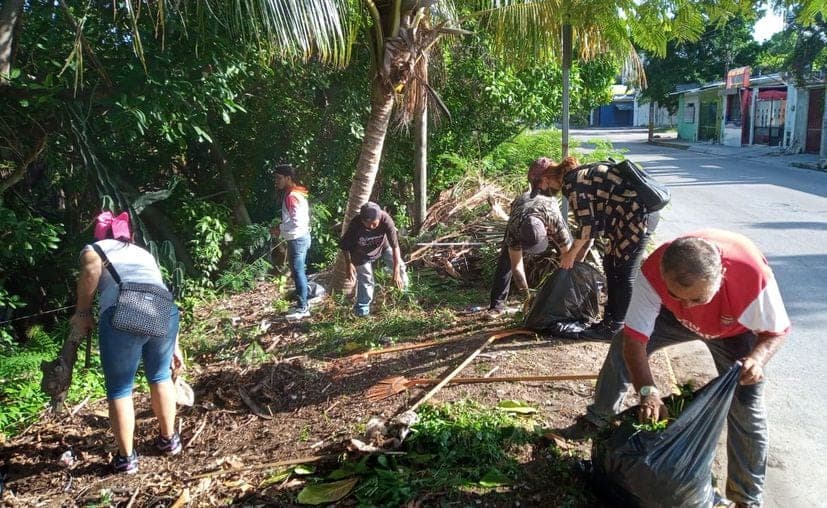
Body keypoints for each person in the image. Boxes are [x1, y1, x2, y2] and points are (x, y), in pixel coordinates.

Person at [581, 229, 790, 507]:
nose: (688, 306)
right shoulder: (654, 270)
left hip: (732, 332)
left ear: (720, 277)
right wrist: (647, 390)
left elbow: (776, 332)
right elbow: (634, 339)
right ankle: (597, 420)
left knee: (746, 406)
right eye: (676, 294)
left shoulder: (751, 275)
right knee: (620, 346)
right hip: (670, 320)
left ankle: (747, 498)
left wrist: (757, 359)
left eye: (696, 299)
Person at [69, 211, 182, 474]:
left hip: (124, 310)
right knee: (160, 376)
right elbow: (157, 290)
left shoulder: (95, 249)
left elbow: (90, 271)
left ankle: (126, 458)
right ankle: (169, 440)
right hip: (164, 310)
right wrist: (175, 344)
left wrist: (83, 312)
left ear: (101, 234)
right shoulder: (142, 253)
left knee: (120, 389)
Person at [547, 156, 660, 341]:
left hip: (638, 219)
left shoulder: (573, 183)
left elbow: (587, 225)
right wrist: (577, 255)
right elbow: (593, 227)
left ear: (551, 178)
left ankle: (618, 327)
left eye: (546, 183)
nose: (548, 188)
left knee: (623, 273)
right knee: (610, 265)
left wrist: (570, 255)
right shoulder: (579, 176)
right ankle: (610, 321)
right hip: (624, 220)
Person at [488, 157, 573, 315]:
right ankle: (497, 306)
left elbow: (569, 254)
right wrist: (527, 298)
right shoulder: (515, 229)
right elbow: (517, 267)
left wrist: (565, 293)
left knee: (567, 257)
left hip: (541, 212)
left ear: (548, 231)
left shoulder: (554, 218)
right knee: (507, 258)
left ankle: (568, 299)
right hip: (521, 212)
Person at [339, 202, 408, 317]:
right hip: (360, 253)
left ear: (379, 218)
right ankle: (362, 310)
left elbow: (395, 247)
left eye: (374, 224)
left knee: (400, 266)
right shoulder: (355, 224)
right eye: (368, 224)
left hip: (383, 247)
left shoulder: (386, 220)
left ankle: (405, 295)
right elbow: (345, 246)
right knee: (366, 279)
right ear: (362, 220)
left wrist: (396, 272)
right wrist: (349, 264)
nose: (371, 227)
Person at [269, 163, 311, 321]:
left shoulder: (292, 196)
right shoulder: (295, 193)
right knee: (298, 272)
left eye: (279, 178)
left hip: (298, 239)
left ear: (288, 178)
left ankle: (303, 308)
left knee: (298, 273)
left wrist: (279, 228)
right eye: (276, 178)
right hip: (300, 237)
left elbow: (297, 221)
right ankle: (302, 303)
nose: (277, 181)